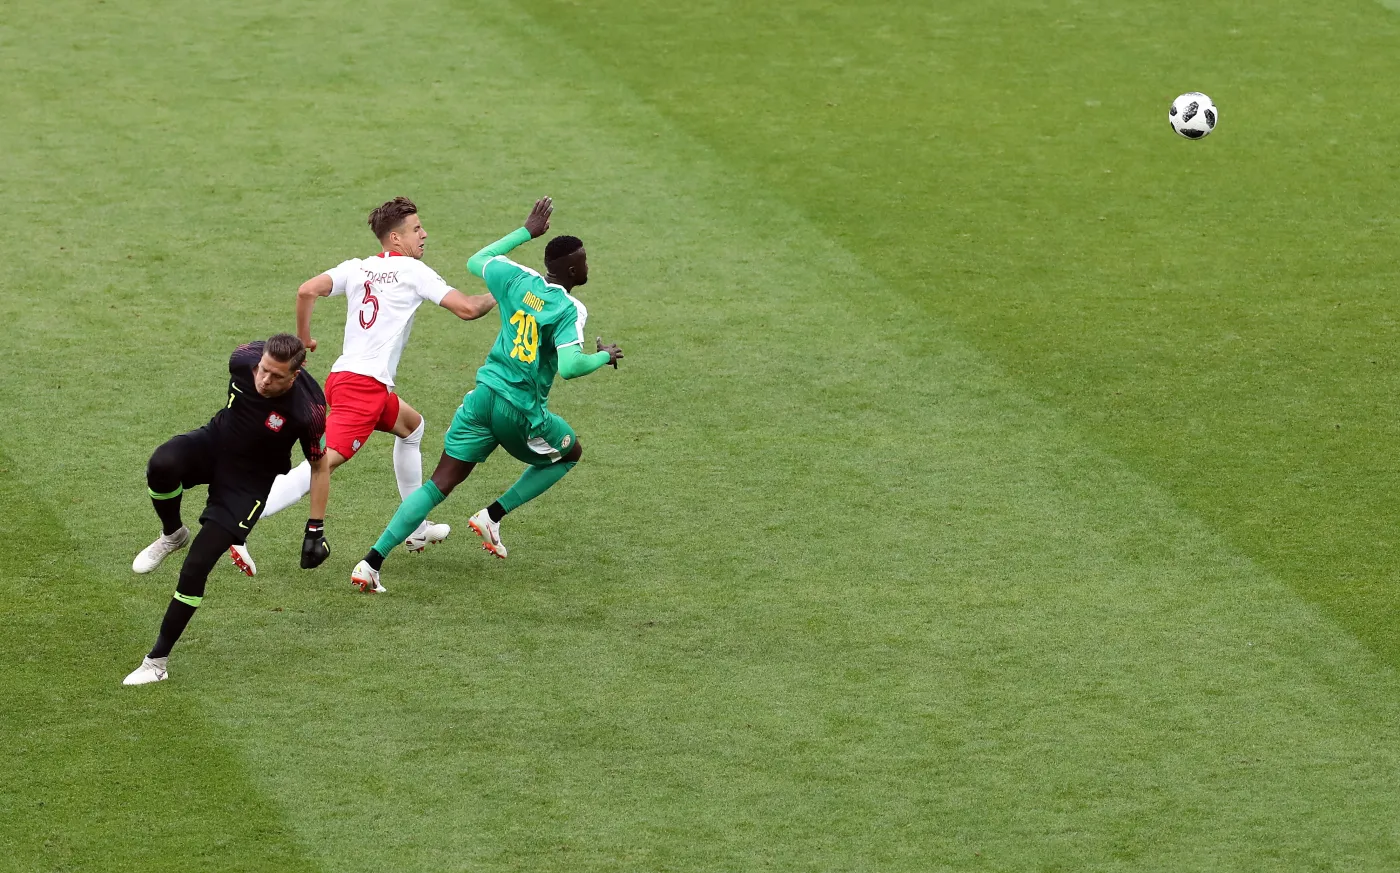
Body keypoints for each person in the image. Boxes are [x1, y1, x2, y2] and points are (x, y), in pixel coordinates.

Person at [349, 198, 622, 594]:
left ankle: (371, 561)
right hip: (520, 412)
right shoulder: (569, 308)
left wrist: (527, 230)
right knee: (570, 453)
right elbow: (570, 367)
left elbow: (479, 259)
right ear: (575, 270)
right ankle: (493, 514)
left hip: (481, 400)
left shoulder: (516, 278)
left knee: (438, 485)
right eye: (585, 261)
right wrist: (603, 356)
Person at [226, 197, 496, 577]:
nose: (424, 234)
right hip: (364, 389)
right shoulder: (414, 271)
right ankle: (235, 522)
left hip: (345, 379)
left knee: (412, 427)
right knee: (319, 467)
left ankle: (416, 528)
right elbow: (467, 308)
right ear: (396, 237)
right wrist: (505, 292)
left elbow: (307, 290)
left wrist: (304, 341)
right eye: (417, 229)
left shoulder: (358, 268)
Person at [125, 335, 330, 685]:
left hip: (247, 483)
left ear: (295, 375)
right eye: (263, 370)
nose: (265, 381)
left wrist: (315, 527)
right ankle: (172, 533)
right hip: (215, 443)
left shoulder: (308, 410)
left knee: (197, 566)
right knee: (162, 463)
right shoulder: (243, 358)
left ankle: (156, 662)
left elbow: (320, 465)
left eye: (276, 377)